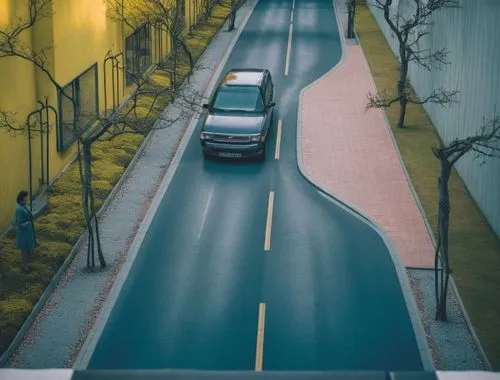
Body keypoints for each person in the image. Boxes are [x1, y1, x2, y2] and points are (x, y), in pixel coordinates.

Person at [15, 190, 37, 273]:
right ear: (20, 200)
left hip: (28, 232)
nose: (26, 200)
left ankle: (27, 264)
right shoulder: (19, 210)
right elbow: (19, 223)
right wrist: (28, 223)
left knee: (29, 249)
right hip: (24, 233)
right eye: (25, 199)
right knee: (24, 250)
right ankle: (23, 265)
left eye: (26, 199)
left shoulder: (24, 207)